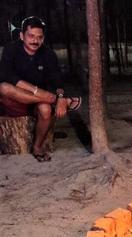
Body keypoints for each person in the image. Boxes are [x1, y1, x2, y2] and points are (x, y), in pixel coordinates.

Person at [0, 16, 81, 162]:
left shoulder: (48, 54)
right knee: (3, 87)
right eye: (31, 36)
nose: (35, 41)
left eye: (39, 37)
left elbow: (58, 81)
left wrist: (61, 96)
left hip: (36, 104)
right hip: (13, 103)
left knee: (46, 110)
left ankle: (37, 147)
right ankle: (55, 100)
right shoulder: (10, 49)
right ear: (21, 35)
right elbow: (7, 75)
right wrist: (39, 91)